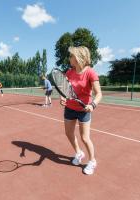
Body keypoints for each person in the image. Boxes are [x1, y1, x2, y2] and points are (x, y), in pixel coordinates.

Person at [60, 46, 102, 175]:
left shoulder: (90, 73)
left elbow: (99, 93)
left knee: (85, 137)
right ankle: (79, 153)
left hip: (84, 110)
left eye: (71, 56)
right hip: (70, 108)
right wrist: (62, 97)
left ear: (78, 58)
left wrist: (93, 105)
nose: (69, 58)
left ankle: (92, 161)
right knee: (68, 133)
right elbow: (65, 90)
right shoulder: (69, 72)